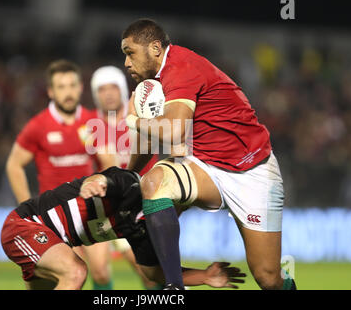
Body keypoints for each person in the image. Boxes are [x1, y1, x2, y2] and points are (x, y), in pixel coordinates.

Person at [121, 19, 296, 290]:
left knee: (268, 278)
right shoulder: (152, 84)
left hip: (251, 171)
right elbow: (153, 136)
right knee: (153, 184)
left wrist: (131, 120)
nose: (126, 62)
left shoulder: (181, 67)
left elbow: (174, 131)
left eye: (130, 52)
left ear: (155, 48)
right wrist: (129, 175)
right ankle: (174, 288)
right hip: (205, 166)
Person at [0, 166, 246, 289]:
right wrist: (94, 183)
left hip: (54, 242)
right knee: (76, 272)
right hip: (24, 225)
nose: (180, 210)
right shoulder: (131, 184)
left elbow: (155, 275)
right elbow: (105, 179)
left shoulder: (145, 231)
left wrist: (205, 276)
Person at [5, 59, 116, 290]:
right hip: (54, 217)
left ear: (80, 88)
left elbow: (109, 163)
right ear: (50, 91)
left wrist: (107, 196)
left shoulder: (92, 123)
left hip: (89, 212)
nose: (68, 92)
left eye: (72, 85)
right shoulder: (38, 126)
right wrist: (27, 206)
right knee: (55, 279)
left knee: (101, 272)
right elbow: (14, 165)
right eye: (61, 87)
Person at [90, 65, 160, 289]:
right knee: (99, 271)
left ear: (122, 89)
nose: (108, 93)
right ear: (94, 94)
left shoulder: (139, 120)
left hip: (138, 204)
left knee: (147, 272)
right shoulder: (88, 124)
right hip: (101, 208)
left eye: (113, 87)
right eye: (102, 89)